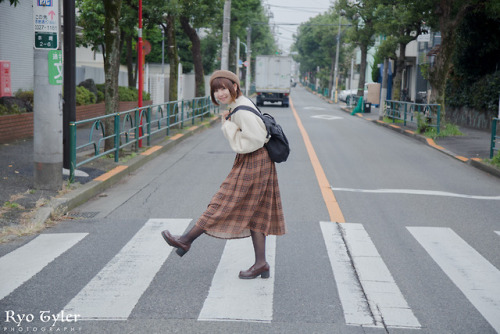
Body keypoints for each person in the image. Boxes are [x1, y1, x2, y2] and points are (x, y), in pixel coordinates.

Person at [161, 70, 286, 279]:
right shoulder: (239, 105)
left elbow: (255, 139)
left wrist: (228, 127)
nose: (220, 93)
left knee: (222, 202)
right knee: (256, 212)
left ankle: (186, 240)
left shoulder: (241, 111)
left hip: (254, 161)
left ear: (234, 87)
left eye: (223, 88)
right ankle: (261, 263)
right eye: (216, 90)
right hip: (258, 162)